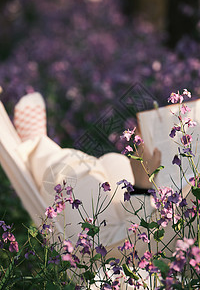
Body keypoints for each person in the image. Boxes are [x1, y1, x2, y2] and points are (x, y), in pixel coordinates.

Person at [13, 92, 161, 249]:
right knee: (114, 162)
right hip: (156, 215)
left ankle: (35, 147)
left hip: (119, 252)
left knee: (76, 177)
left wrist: (141, 188)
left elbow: (138, 250)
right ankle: (46, 155)